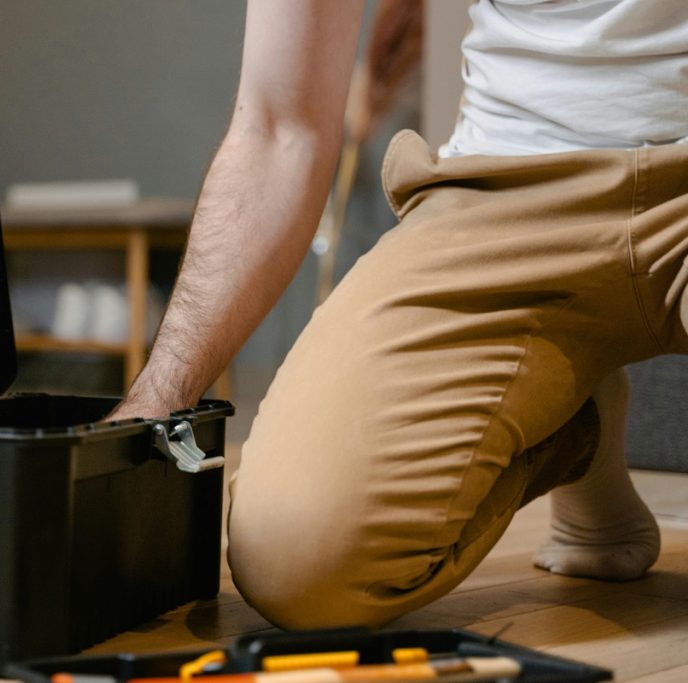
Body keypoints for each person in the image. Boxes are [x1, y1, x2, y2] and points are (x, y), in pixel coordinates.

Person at [109, 0, 686, 629]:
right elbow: (278, 126)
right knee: (296, 559)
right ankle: (575, 428)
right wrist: (151, 407)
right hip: (505, 186)